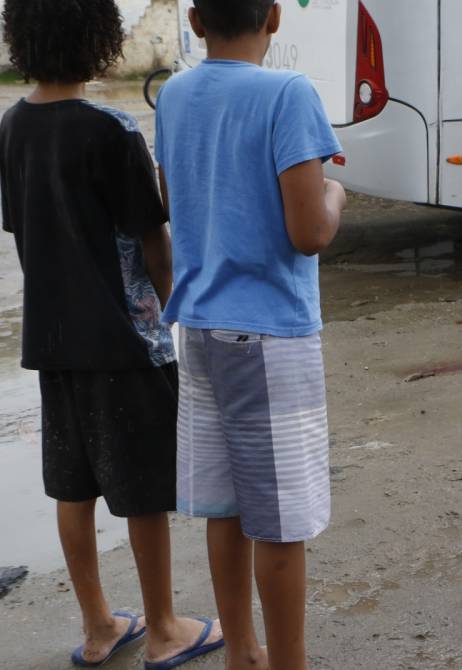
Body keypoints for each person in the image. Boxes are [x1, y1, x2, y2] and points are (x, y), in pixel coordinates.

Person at [0, 1, 225, 668]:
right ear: (100, 41)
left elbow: (23, 229)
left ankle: (99, 626)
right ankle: (162, 628)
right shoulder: (112, 129)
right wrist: (169, 317)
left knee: (73, 483)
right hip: (125, 342)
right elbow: (156, 247)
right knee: (143, 490)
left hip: (53, 341)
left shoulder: (12, 126)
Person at [154, 1, 347, 667]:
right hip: (268, 336)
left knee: (225, 507)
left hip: (201, 329)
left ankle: (242, 652)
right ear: (274, 17)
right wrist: (337, 196)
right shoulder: (289, 94)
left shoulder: (174, 94)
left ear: (197, 22)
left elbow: (176, 203)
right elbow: (309, 232)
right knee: (282, 524)